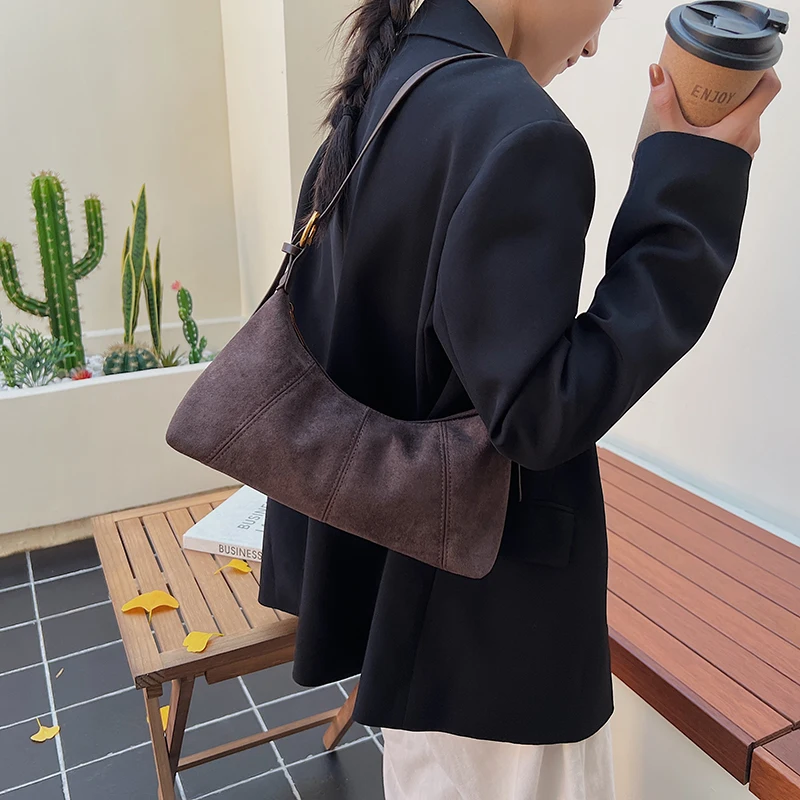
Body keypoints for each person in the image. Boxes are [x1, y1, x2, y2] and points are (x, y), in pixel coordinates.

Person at [256, 0, 781, 797]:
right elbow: (538, 416)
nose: (597, 42)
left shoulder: (396, 79)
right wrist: (688, 190)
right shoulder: (517, 125)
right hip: (496, 639)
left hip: (414, 607)